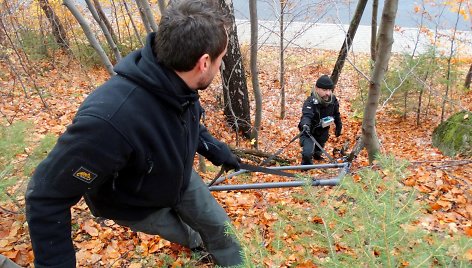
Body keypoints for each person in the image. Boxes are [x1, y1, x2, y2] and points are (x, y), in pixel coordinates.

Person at [25, 1, 244, 267]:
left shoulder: (177, 83)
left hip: (178, 177)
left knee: (221, 230)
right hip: (137, 203)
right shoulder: (110, 121)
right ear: (204, 62)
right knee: (190, 234)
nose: (220, 68)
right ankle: (198, 244)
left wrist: (214, 148)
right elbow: (46, 195)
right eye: (221, 60)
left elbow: (183, 123)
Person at [298, 75, 342, 165]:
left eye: (329, 90)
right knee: (307, 154)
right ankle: (306, 170)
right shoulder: (310, 102)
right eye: (325, 90)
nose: (328, 93)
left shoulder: (333, 100)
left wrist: (339, 126)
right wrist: (305, 126)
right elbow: (307, 116)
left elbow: (336, 114)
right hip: (308, 131)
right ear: (317, 89)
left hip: (323, 131)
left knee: (319, 149)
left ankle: (317, 155)